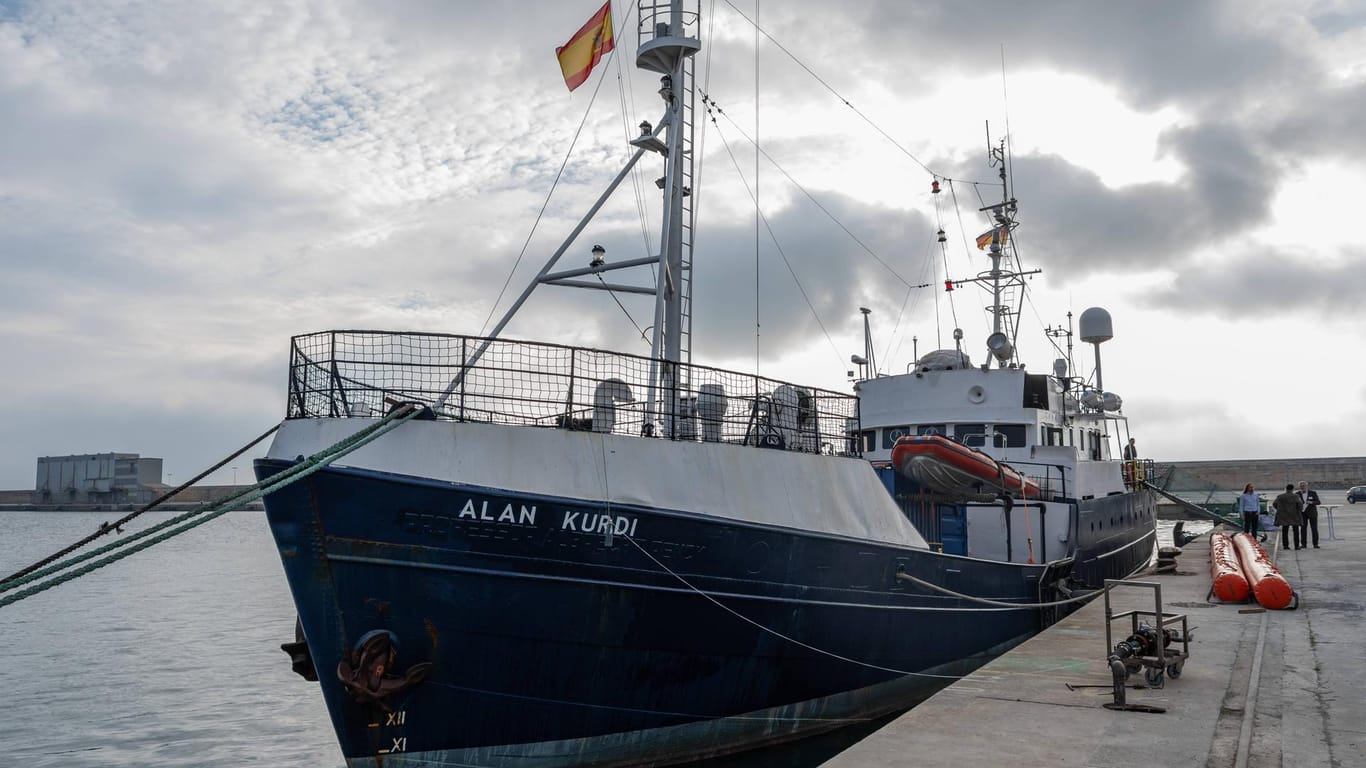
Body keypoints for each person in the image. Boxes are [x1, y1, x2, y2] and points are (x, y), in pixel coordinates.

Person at [1273, 483, 1304, 550]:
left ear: (1286, 489)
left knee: (1285, 531)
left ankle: (1286, 546)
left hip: (1284, 516)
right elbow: (1300, 505)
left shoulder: (1280, 496)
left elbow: (1275, 504)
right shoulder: (1296, 496)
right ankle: (1296, 546)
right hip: (1294, 515)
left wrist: (1280, 510)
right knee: (1296, 531)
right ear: (1293, 489)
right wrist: (1299, 511)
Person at [1297, 481, 1322, 548]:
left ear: (1307, 486)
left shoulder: (1313, 493)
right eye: (1301, 486)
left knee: (1314, 529)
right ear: (1299, 487)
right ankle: (1303, 544)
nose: (1303, 487)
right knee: (1303, 529)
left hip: (1312, 513)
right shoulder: (1297, 494)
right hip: (1302, 514)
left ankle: (1315, 544)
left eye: (1304, 486)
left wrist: (1311, 502)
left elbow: (1318, 502)